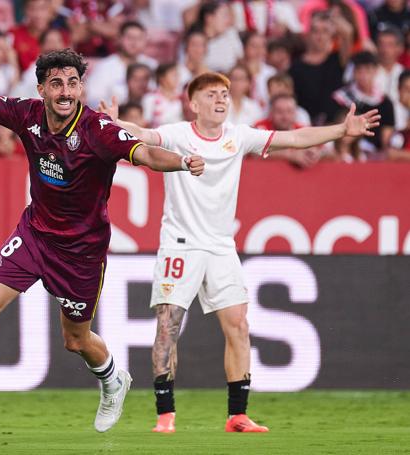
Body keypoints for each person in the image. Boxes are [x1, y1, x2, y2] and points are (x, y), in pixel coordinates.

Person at [0, 39, 204, 443]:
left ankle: (113, 379)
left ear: (81, 89)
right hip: (35, 236)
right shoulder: (27, 114)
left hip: (81, 254)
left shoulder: (99, 130)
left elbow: (145, 154)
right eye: (57, 84)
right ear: (41, 90)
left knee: (76, 341)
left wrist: (181, 161)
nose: (66, 92)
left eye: (73, 83)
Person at [98, 71, 379, 433]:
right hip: (180, 243)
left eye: (225, 94)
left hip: (220, 246)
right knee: (168, 327)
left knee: (239, 325)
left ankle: (237, 415)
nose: (221, 100)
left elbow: (294, 138)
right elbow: (144, 135)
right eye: (212, 94)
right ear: (194, 103)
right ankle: (165, 416)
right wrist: (113, 121)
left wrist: (341, 130)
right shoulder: (179, 133)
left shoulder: (239, 136)